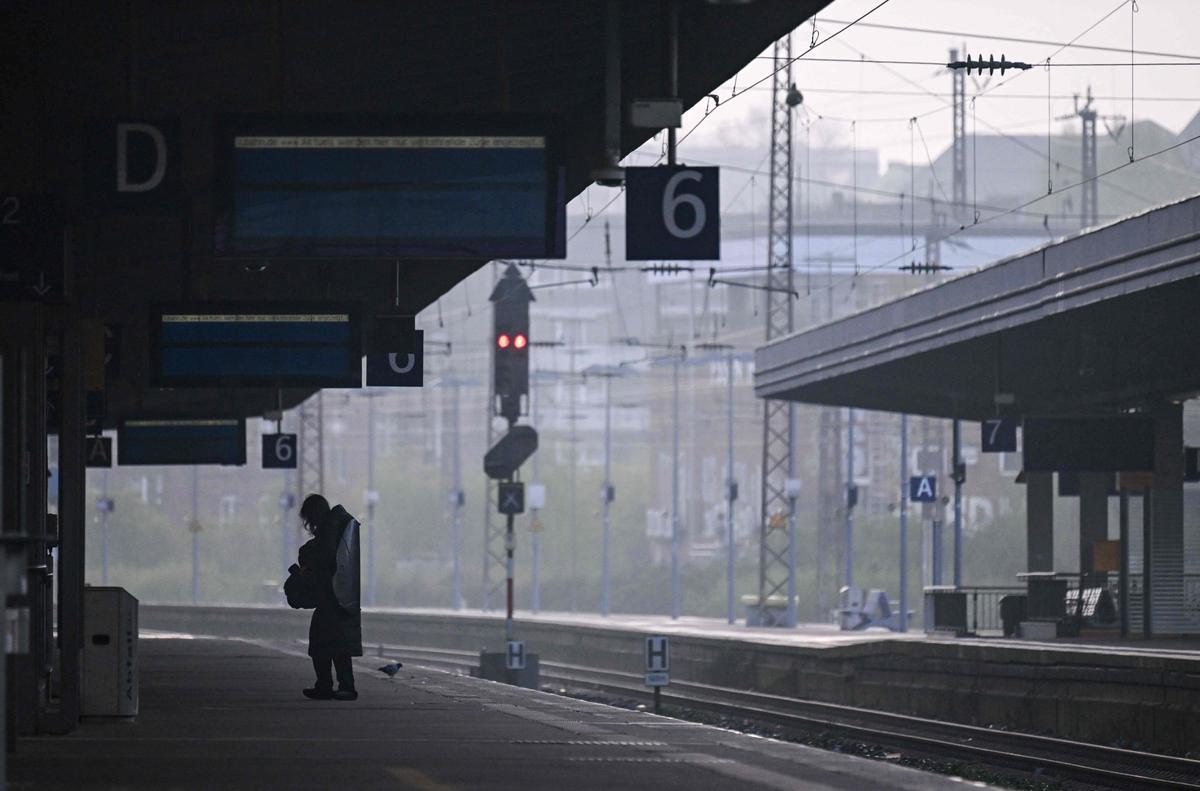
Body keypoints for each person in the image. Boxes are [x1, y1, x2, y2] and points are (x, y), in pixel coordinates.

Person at [296, 494, 363, 701]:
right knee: (332, 644)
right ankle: (333, 685)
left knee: (328, 644)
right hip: (336, 597)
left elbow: (325, 557)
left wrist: (306, 556)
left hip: (332, 598)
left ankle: (338, 686)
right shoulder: (335, 524)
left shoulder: (331, 527)